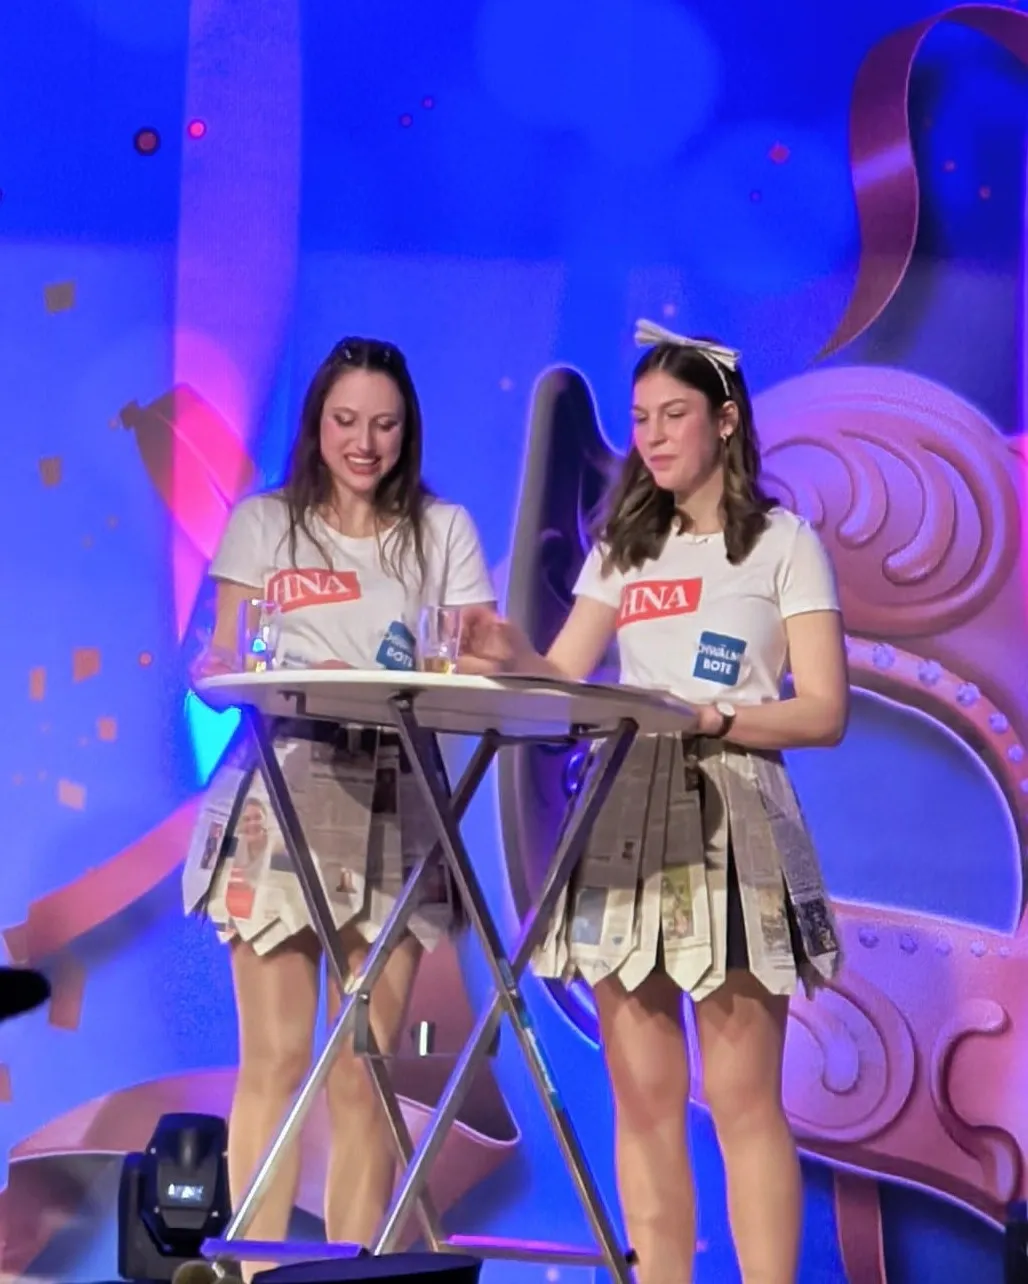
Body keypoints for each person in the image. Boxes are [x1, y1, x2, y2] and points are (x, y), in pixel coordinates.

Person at [459, 320, 848, 1284]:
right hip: (623, 814)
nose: (654, 436)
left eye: (674, 415)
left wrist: (718, 717)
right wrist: (511, 655)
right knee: (642, 1099)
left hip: (732, 814)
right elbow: (563, 678)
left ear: (726, 421)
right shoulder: (625, 547)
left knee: (744, 1100)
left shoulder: (784, 544)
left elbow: (824, 711)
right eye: (640, 419)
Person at [184, 337, 495, 1262]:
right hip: (281, 789)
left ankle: (354, 1275)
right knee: (278, 1062)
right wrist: (224, 670)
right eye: (347, 421)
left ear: (408, 430)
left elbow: (475, 654)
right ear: (317, 423)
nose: (365, 443)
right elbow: (220, 654)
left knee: (362, 1071)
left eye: (384, 424)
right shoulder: (265, 524)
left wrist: (491, 658)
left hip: (398, 798)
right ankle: (253, 1269)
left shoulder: (442, 531)